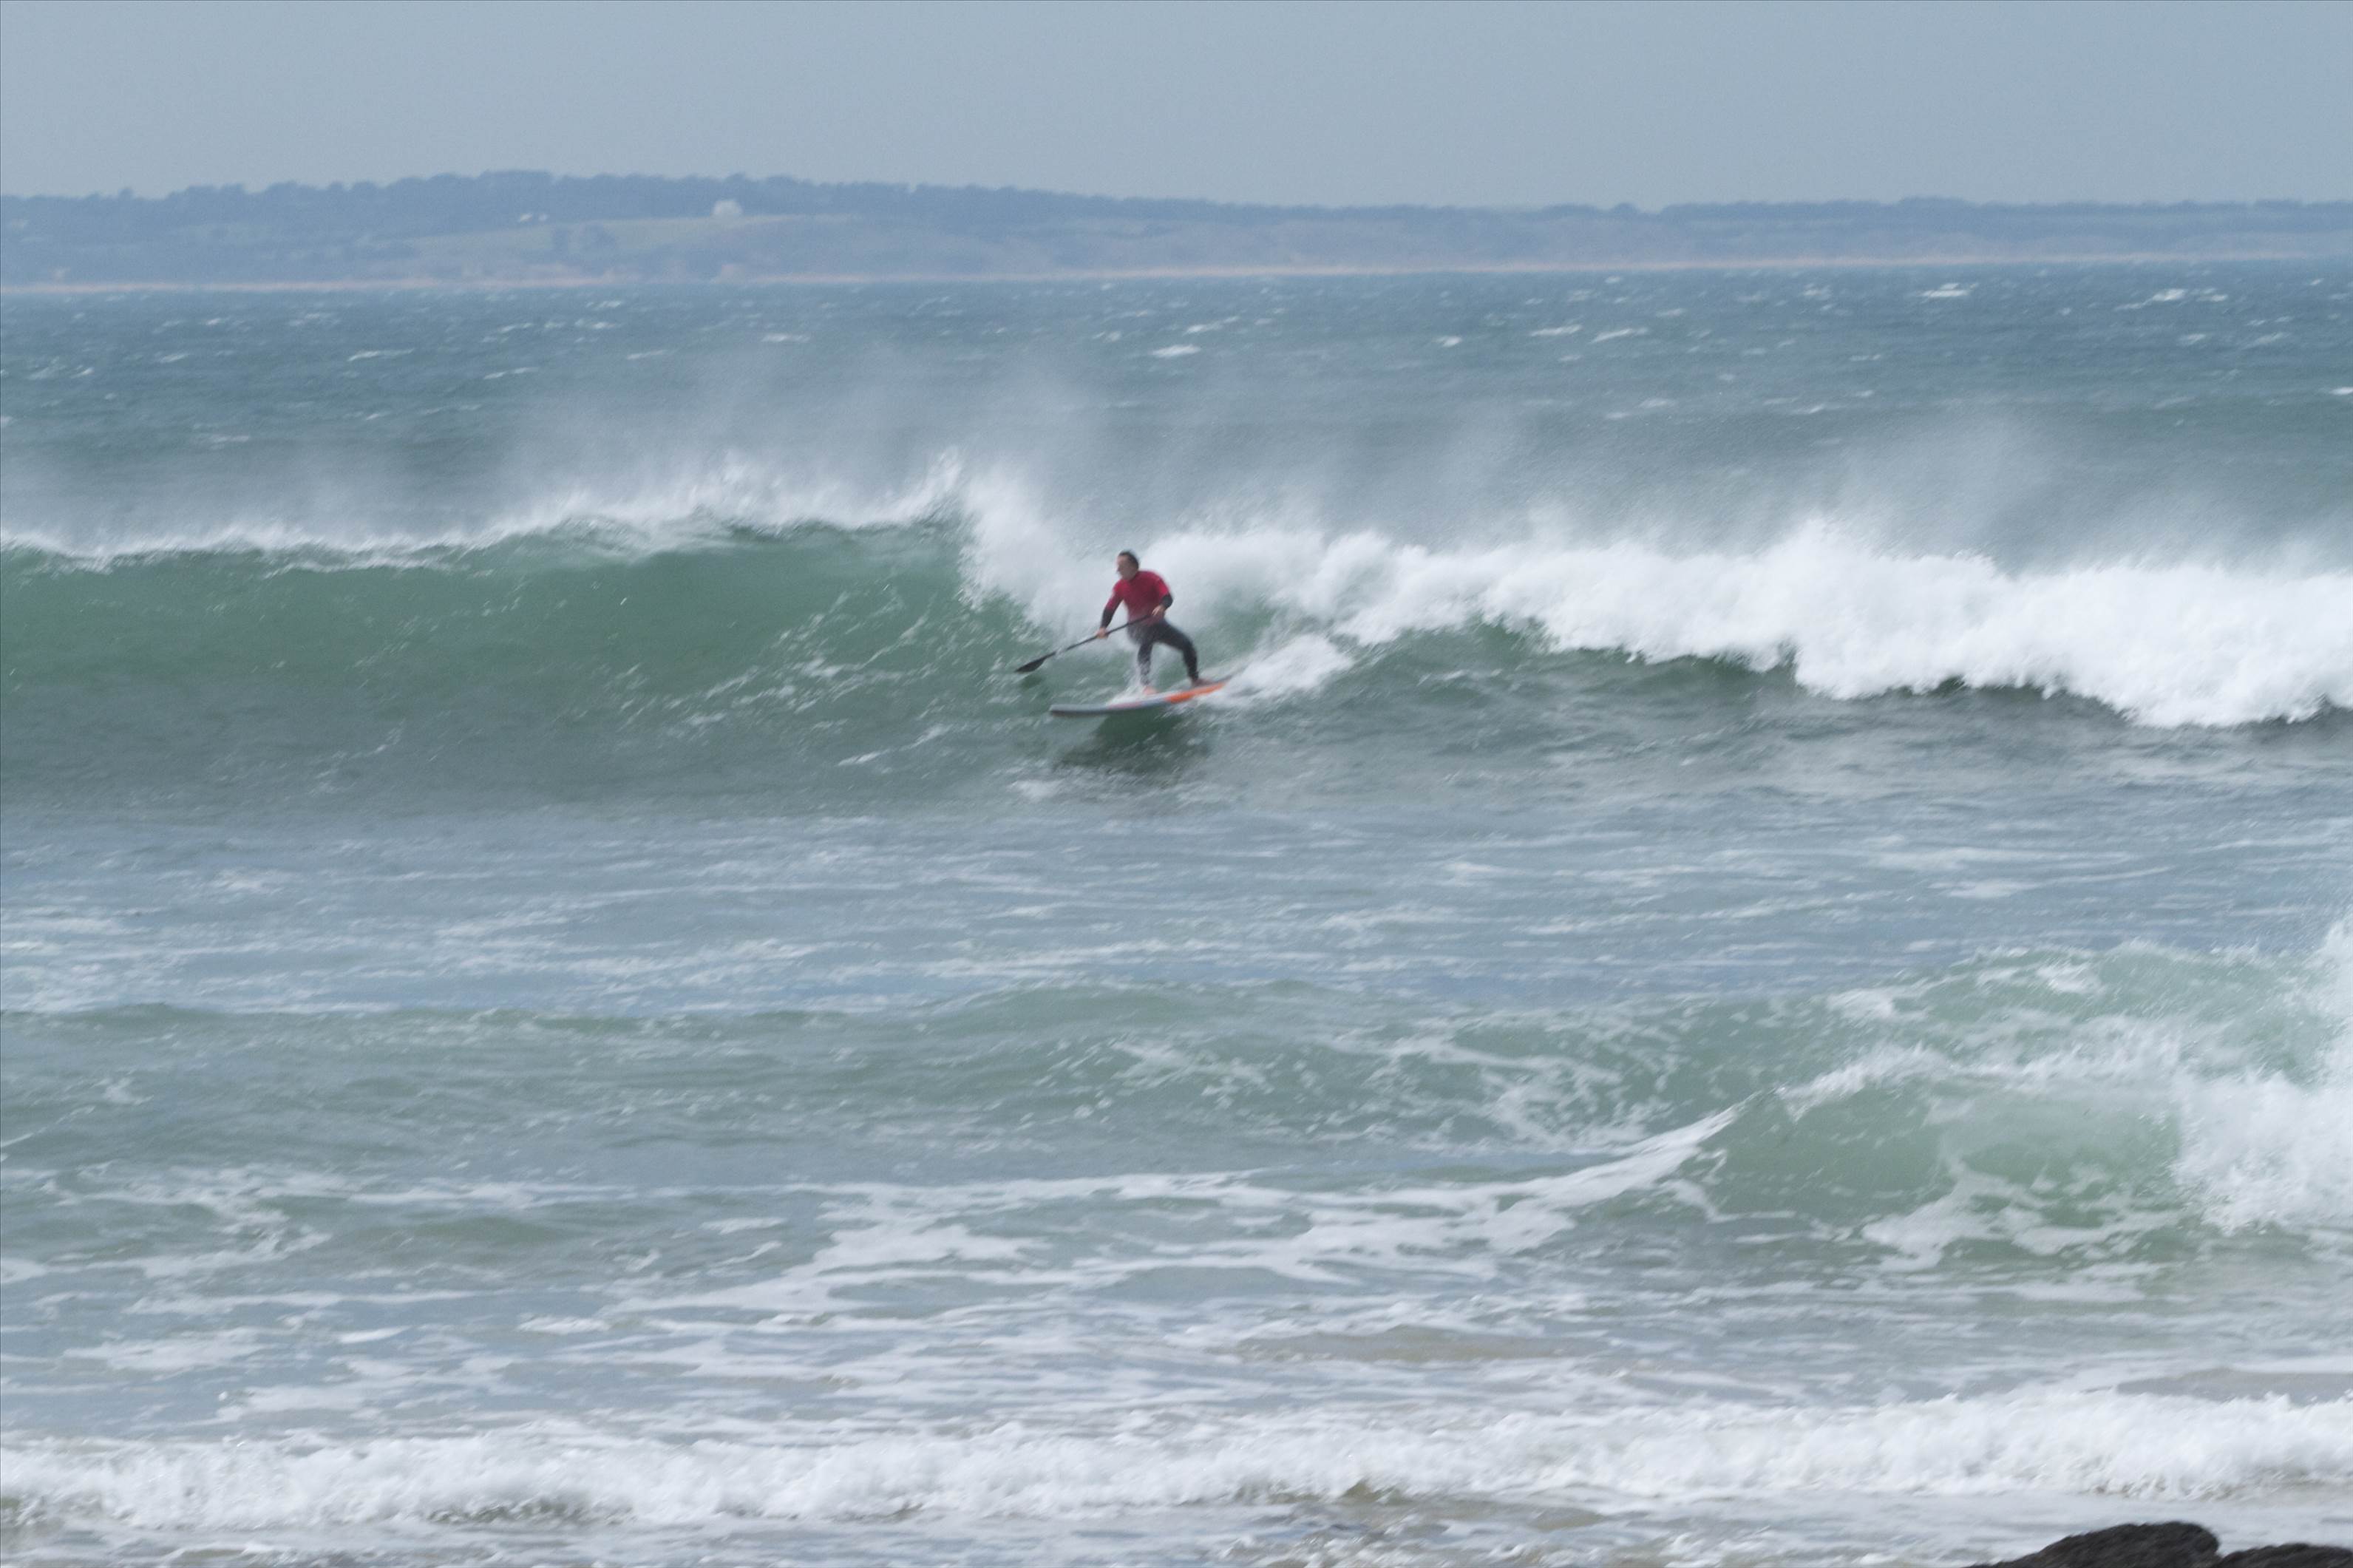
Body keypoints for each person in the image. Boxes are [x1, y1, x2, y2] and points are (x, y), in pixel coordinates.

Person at [1093, 549, 1203, 690]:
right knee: (1146, 641)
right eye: (1117, 567)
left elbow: (1167, 597)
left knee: (1187, 645)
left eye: (1121, 567)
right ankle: (1145, 685)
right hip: (1135, 628)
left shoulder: (1152, 578)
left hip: (1158, 625)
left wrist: (1162, 607)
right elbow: (1110, 608)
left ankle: (1195, 680)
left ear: (1133, 566)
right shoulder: (1119, 587)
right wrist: (1103, 627)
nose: (1117, 570)